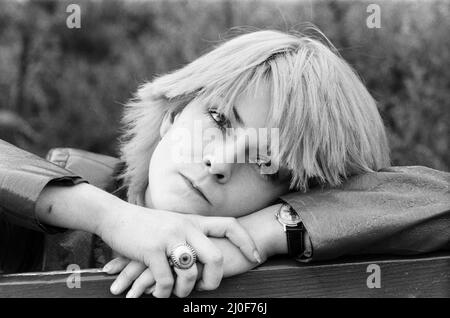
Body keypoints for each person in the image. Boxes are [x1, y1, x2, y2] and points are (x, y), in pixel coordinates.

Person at [0, 30, 449, 298]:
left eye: (267, 166)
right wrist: (108, 216)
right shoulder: (46, 209)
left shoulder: (285, 253)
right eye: (218, 119)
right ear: (175, 114)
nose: (219, 162)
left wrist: (268, 232)